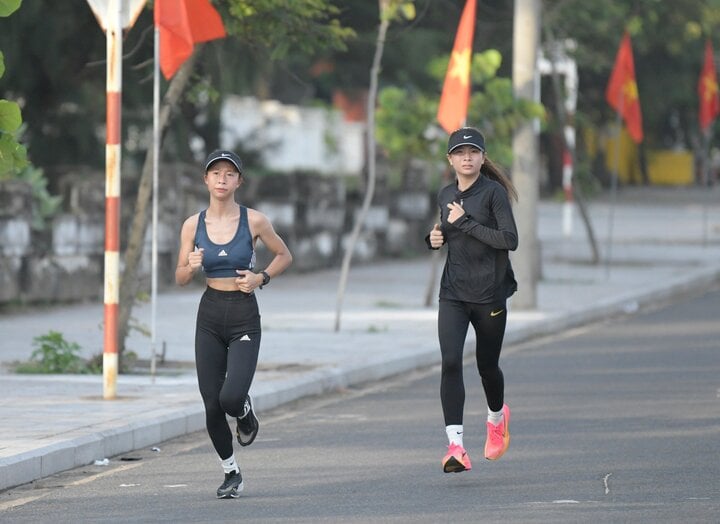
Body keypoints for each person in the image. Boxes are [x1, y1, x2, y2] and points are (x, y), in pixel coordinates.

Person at [175, 150, 293, 498]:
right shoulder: (192, 225)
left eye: (230, 174)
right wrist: (191, 266)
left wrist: (261, 278)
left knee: (230, 397)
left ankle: (244, 411)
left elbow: (284, 255)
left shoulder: (254, 221)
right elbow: (180, 277)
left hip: (243, 313)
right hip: (210, 313)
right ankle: (231, 472)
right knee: (211, 402)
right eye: (216, 174)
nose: (222, 179)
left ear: (239, 181)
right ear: (206, 180)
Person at [426, 127, 518, 473]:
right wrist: (434, 237)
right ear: (450, 159)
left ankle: (496, 418)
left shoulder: (493, 194)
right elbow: (447, 232)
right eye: (460, 153)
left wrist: (463, 222)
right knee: (450, 361)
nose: (467, 158)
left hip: (489, 294)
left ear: (482, 157)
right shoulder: (446, 193)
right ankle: (455, 446)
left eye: (473, 152)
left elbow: (509, 239)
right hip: (453, 292)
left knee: (486, 366)